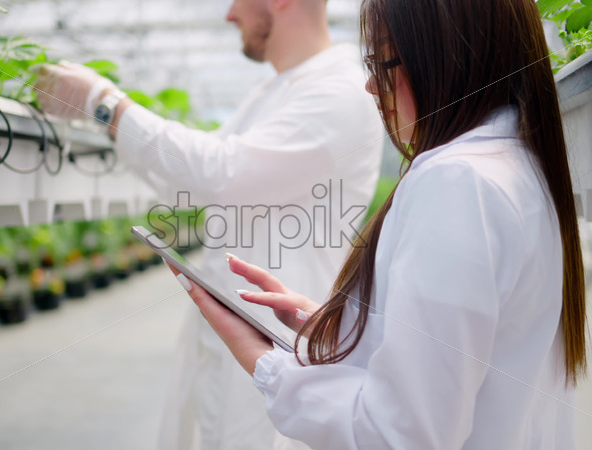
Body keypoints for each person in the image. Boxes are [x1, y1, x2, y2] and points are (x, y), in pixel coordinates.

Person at [167, 0, 588, 448]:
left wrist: (262, 362)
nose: (371, 84)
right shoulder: (514, 164)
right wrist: (328, 328)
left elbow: (398, 434)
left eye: (383, 60)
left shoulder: (457, 181)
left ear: (447, 56)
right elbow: (457, 352)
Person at [35, 0, 384, 449]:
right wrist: (105, 119)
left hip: (279, 335)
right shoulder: (274, 91)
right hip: (240, 327)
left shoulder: (340, 90)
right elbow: (191, 181)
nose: (229, 15)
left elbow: (223, 174)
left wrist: (107, 105)